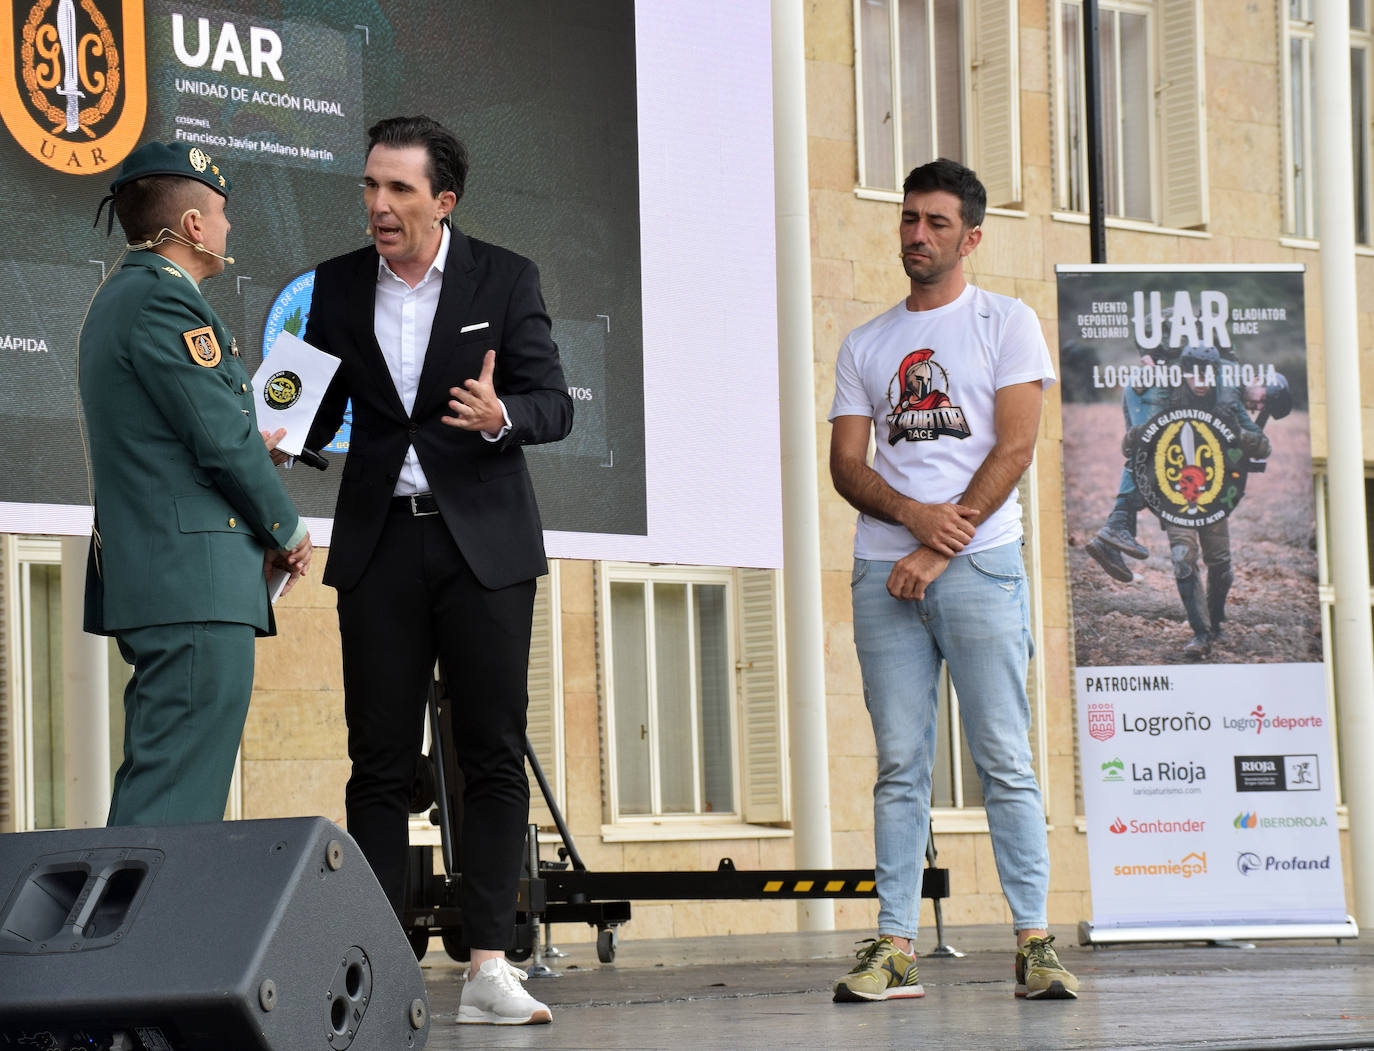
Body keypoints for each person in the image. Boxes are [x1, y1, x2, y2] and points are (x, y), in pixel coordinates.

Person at [303, 115, 572, 1027]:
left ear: (442, 200)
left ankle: (490, 964)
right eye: (371, 187)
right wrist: (274, 425)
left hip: (483, 546)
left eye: (399, 190)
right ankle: (380, 966)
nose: (378, 205)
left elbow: (553, 405)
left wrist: (502, 414)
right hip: (380, 542)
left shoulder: (506, 277)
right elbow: (318, 398)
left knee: (490, 752)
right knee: (378, 760)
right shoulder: (337, 284)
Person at [828, 158, 1077, 1003]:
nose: (917, 235)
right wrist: (912, 518)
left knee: (1004, 756)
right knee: (900, 764)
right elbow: (846, 465)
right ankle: (894, 944)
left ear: (970, 236)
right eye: (908, 220)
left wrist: (938, 543)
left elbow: (1014, 446)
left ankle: (1033, 943)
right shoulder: (865, 342)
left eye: (936, 223)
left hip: (976, 564)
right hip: (881, 568)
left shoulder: (1007, 322)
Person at [80, 142, 312, 827]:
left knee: (169, 785)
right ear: (191, 225)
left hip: (178, 577)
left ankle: (136, 931)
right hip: (191, 583)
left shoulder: (127, 298)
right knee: (175, 803)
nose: (230, 226)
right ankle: (143, 936)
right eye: (221, 211)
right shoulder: (162, 303)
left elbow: (190, 439)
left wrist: (247, 452)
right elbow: (218, 441)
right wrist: (287, 530)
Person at [1126, 344, 1271, 659]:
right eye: (1194, 372)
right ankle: (1200, 633)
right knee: (1183, 561)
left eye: (1207, 372)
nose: (1200, 379)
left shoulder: (1228, 402)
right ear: (1184, 372)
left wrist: (1238, 433)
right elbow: (1131, 443)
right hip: (1173, 495)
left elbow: (1263, 447)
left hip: (1215, 497)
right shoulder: (1165, 398)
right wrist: (1139, 436)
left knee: (1220, 565)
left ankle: (1216, 620)